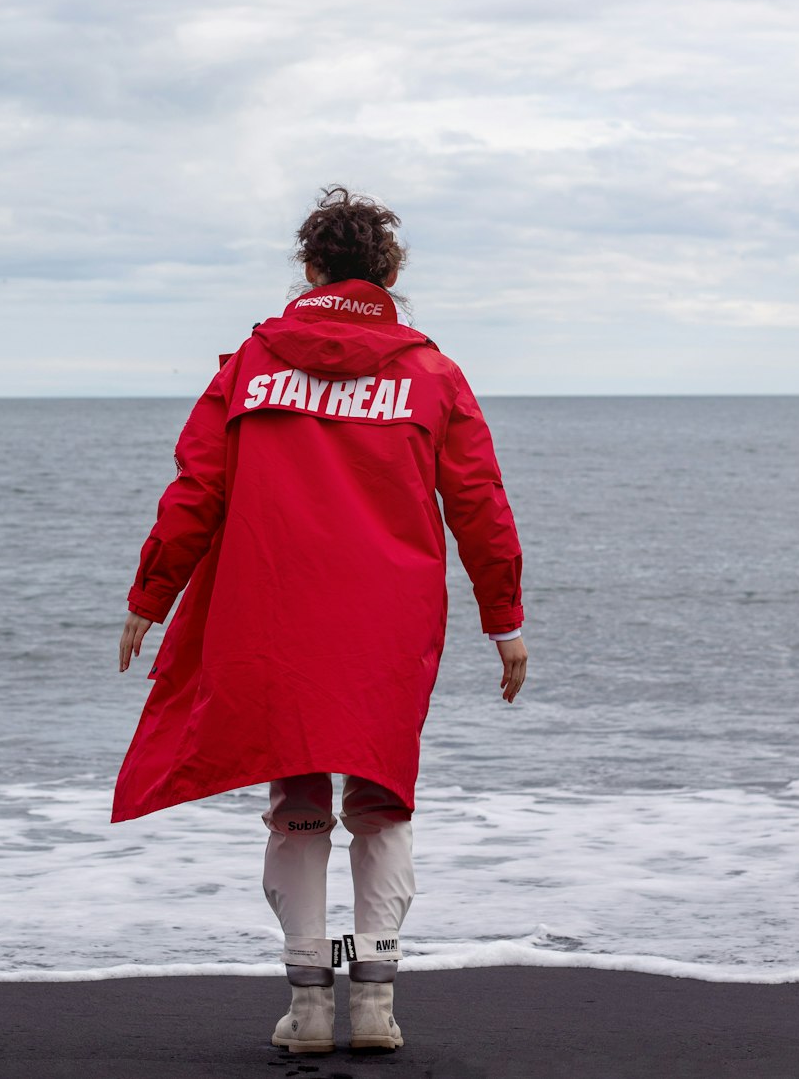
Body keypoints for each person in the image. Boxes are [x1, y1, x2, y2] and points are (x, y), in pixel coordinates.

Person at [113, 186, 527, 1056]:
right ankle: (372, 1005)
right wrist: (504, 620)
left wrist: (151, 597)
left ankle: (308, 1007)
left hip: (271, 613)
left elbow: (197, 491)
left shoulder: (252, 366)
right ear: (390, 275)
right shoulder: (430, 373)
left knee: (297, 798)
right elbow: (479, 502)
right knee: (381, 794)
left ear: (309, 271)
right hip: (388, 623)